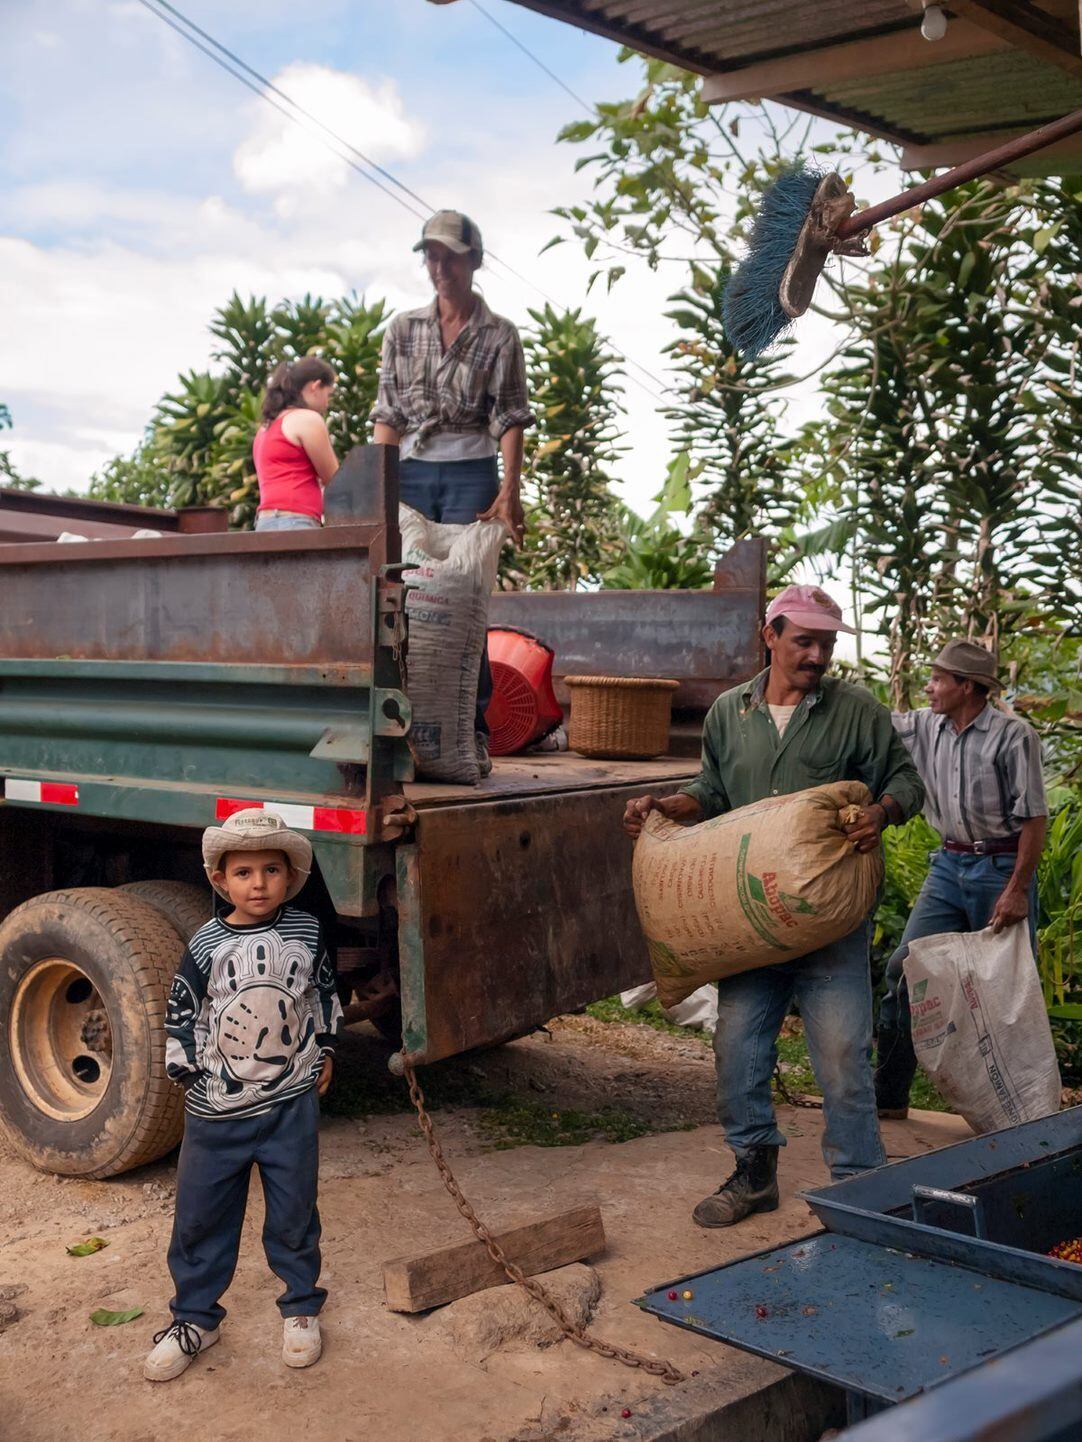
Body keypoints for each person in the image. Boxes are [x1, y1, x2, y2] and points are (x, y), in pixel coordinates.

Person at [623, 585, 925, 1227]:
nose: (818, 656)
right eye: (805, 642)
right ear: (771, 636)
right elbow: (711, 789)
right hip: (750, 924)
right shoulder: (728, 714)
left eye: (827, 644)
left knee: (844, 1053)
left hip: (828, 923)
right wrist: (671, 806)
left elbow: (905, 780)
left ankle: (859, 1187)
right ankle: (754, 1172)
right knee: (738, 1048)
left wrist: (881, 811)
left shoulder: (857, 712)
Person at [143, 808, 343, 1382]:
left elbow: (321, 994)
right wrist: (193, 1077)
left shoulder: (305, 932)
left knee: (295, 1212)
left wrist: (326, 1050)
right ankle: (195, 1318)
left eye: (272, 870)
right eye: (244, 872)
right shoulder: (206, 944)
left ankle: (301, 1306)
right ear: (220, 880)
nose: (258, 884)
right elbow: (183, 1013)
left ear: (291, 876)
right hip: (217, 1113)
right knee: (201, 1217)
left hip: (290, 1107)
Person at [371, 210, 534, 771]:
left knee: (465, 600)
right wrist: (379, 485)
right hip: (411, 472)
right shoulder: (403, 329)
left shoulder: (499, 334)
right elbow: (388, 414)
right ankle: (397, 733)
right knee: (399, 597)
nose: (439, 267)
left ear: (474, 260)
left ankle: (473, 731)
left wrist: (511, 488)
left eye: (451, 256)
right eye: (431, 256)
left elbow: (510, 416)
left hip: (471, 471)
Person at [875, 639, 1048, 1119]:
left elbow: (1034, 819)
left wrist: (1017, 890)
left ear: (967, 687)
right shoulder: (927, 727)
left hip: (1000, 868)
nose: (928, 688)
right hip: (949, 867)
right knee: (905, 968)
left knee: (1010, 990)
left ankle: (1022, 1113)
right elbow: (871, 720)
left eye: (937, 680)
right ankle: (887, 1095)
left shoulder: (1014, 737)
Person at [253, 357, 339, 530]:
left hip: (265, 522)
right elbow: (335, 479)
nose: (327, 403)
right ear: (315, 386)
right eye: (328, 394)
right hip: (295, 521)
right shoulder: (307, 419)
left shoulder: (265, 428)